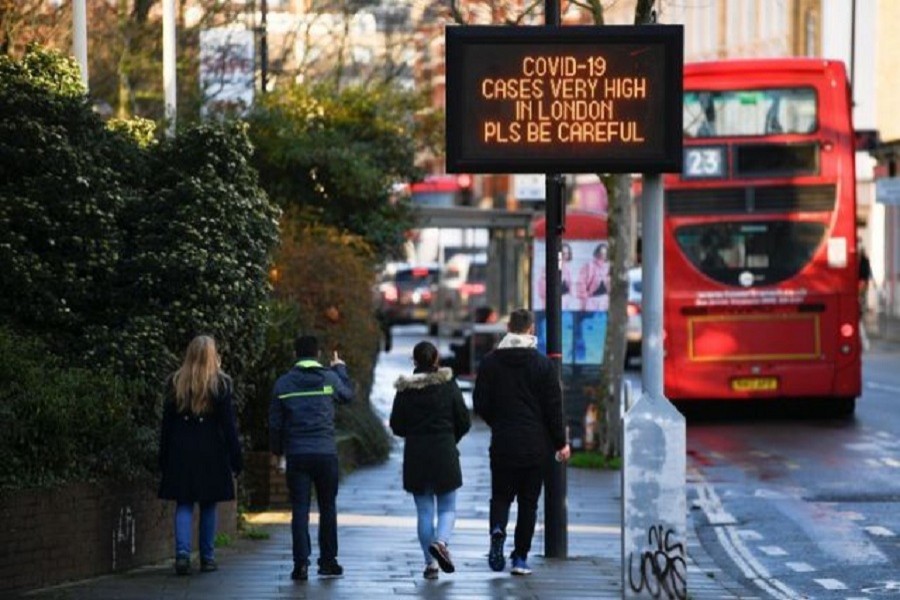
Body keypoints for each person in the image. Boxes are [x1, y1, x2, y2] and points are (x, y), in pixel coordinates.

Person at [472, 308, 570, 576]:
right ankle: (520, 558)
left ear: (508, 326)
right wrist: (561, 442)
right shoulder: (543, 365)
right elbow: (553, 408)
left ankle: (497, 529)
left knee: (501, 496)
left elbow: (480, 403)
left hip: (503, 441)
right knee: (528, 502)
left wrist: (499, 422)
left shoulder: (491, 362)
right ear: (531, 329)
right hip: (535, 445)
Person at [269, 334, 354, 582]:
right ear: (317, 354)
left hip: (297, 454)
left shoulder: (283, 384)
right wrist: (340, 369)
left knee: (300, 509)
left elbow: (275, 424)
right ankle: (328, 562)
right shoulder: (329, 378)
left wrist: (277, 453)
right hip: (325, 454)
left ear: (296, 354)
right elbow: (348, 395)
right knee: (328, 507)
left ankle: (301, 565)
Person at [158, 335, 242, 576]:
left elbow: (167, 426)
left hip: (180, 451)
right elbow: (228, 426)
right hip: (211, 452)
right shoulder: (220, 384)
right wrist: (236, 458)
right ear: (212, 355)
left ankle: (182, 555)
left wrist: (163, 458)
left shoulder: (176, 383)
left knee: (183, 503)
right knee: (208, 505)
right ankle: (207, 557)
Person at [389, 341, 471, 580]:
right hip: (444, 452)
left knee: (424, 512)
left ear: (414, 361)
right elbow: (463, 420)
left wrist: (414, 435)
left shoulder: (405, 390)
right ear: (437, 359)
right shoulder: (448, 385)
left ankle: (431, 564)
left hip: (416, 455)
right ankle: (442, 542)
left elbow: (396, 425)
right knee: (447, 508)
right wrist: (450, 437)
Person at [577, 243, 611, 311]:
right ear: (597, 253)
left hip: (605, 300)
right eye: (601, 253)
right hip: (592, 299)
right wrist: (584, 297)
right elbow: (581, 282)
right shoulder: (589, 266)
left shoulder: (608, 267)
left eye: (605, 254)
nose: (603, 256)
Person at [859, 246, 872, 313]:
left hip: (862, 280)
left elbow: (867, 271)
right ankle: (862, 308)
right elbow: (869, 271)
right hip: (863, 280)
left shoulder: (861, 261)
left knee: (862, 295)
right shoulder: (865, 260)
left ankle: (861, 308)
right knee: (862, 295)